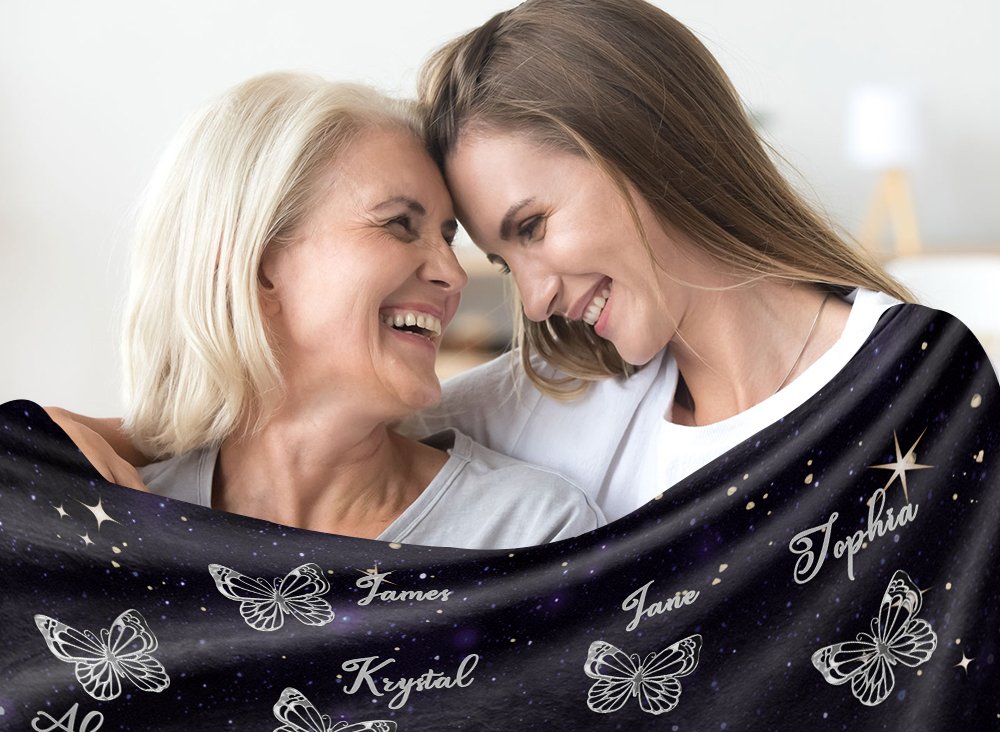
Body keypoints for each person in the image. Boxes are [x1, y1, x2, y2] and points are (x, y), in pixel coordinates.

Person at [53, 0, 911, 524]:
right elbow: (296, 426)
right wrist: (54, 435)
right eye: (501, 255)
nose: (528, 302)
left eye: (531, 225)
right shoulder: (561, 396)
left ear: (646, 149)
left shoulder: (915, 383)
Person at [51, 71, 602, 547]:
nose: (453, 274)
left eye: (447, 236)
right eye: (398, 224)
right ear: (258, 267)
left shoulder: (529, 533)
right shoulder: (105, 525)